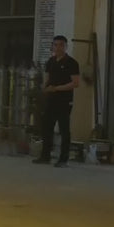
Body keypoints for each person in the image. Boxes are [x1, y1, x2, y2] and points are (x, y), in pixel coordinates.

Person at [34, 35, 80, 168]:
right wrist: (44, 88)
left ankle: (63, 159)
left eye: (61, 45)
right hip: (51, 100)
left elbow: (75, 83)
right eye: (55, 45)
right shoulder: (51, 62)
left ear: (66, 47)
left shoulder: (72, 63)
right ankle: (45, 156)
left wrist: (58, 88)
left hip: (65, 101)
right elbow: (47, 79)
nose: (58, 47)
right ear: (52, 47)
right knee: (47, 128)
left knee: (64, 129)